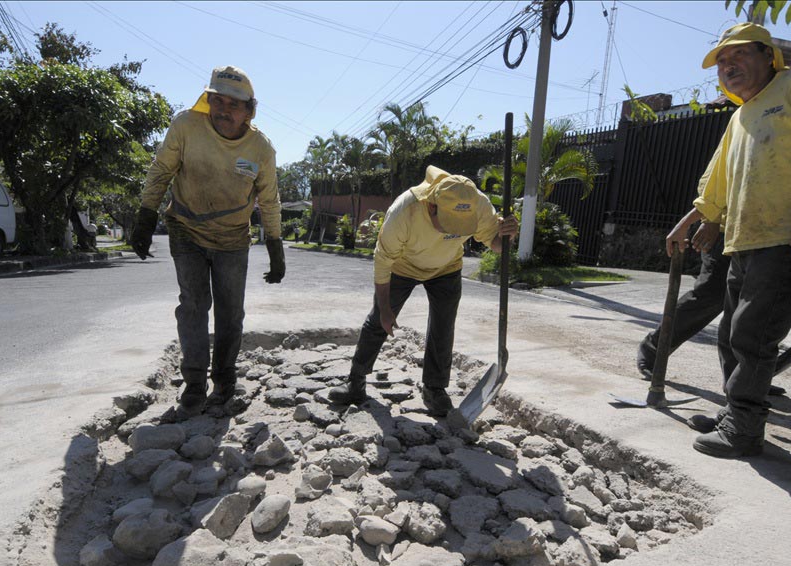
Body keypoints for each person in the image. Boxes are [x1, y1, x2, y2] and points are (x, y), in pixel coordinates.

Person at [685, 23, 791, 458]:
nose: (729, 68)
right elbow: (721, 180)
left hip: (789, 236)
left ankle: (745, 431)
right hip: (744, 239)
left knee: (754, 334)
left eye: (739, 57)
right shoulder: (741, 114)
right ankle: (736, 412)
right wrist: (708, 220)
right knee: (731, 332)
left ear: (769, 56)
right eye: (722, 63)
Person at [131, 65, 285, 416]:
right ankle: (195, 384)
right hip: (186, 228)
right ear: (208, 101)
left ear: (250, 111)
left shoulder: (261, 149)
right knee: (194, 306)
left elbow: (270, 200)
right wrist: (145, 215)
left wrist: (275, 248)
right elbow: (161, 170)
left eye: (234, 105)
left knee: (231, 313)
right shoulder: (186, 125)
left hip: (233, 236)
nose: (223, 110)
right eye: (217, 101)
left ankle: (225, 381)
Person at [328, 166, 519, 416]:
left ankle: (434, 389)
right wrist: (385, 310)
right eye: (449, 223)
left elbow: (495, 244)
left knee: (443, 327)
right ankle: (356, 382)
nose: (454, 231)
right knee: (378, 321)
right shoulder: (405, 209)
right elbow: (382, 262)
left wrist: (508, 236)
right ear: (431, 206)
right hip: (402, 266)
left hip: (447, 266)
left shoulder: (477, 203)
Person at [635, 208, 787, 418]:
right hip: (726, 230)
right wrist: (710, 219)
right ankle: (653, 349)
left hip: (773, 232)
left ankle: (744, 380)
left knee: (750, 305)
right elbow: (717, 179)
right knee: (711, 295)